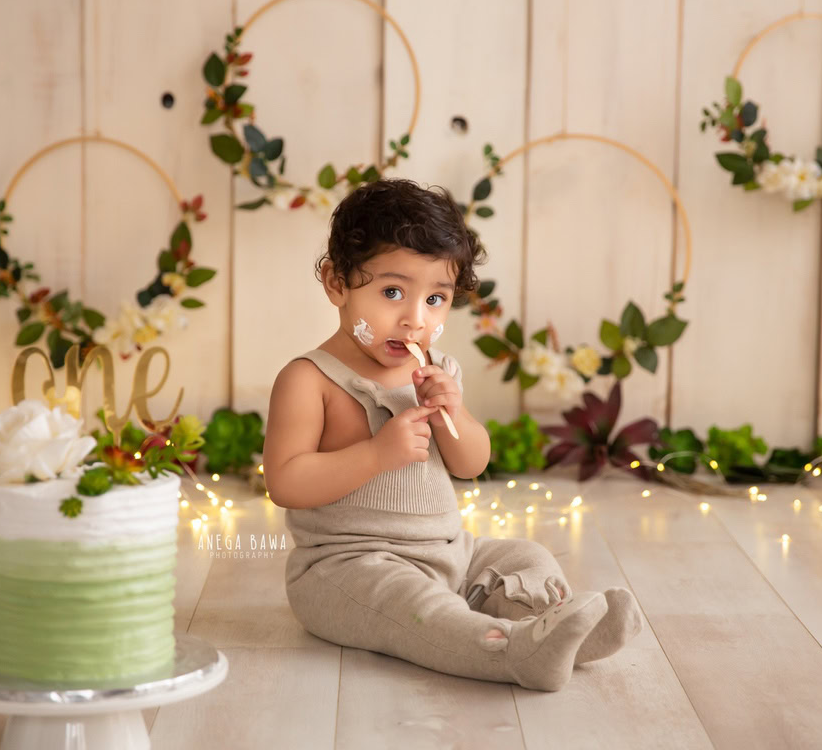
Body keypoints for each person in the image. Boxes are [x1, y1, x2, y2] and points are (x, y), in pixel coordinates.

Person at [263, 177, 644, 691]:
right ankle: (511, 650)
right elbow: (285, 482)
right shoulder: (310, 379)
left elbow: (472, 463)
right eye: (392, 292)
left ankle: (551, 626)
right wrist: (376, 454)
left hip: (451, 551)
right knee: (418, 607)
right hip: (349, 569)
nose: (414, 320)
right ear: (336, 283)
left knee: (524, 557)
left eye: (436, 299)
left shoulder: (439, 370)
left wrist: (455, 415)